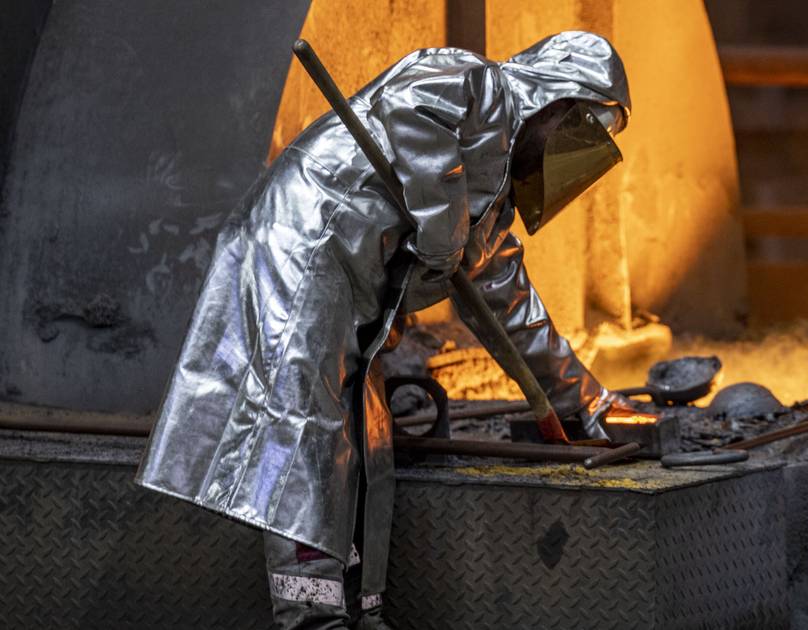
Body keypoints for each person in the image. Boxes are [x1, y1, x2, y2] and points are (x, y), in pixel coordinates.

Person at [136, 31, 638, 629]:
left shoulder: (494, 204)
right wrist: (443, 228)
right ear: (555, 101)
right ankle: (312, 619)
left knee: (362, 446)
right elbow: (411, 109)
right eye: (582, 128)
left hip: (349, 289)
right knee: (305, 438)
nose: (575, 149)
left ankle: (360, 607)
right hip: (306, 250)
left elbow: (516, 312)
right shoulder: (471, 82)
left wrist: (589, 403)